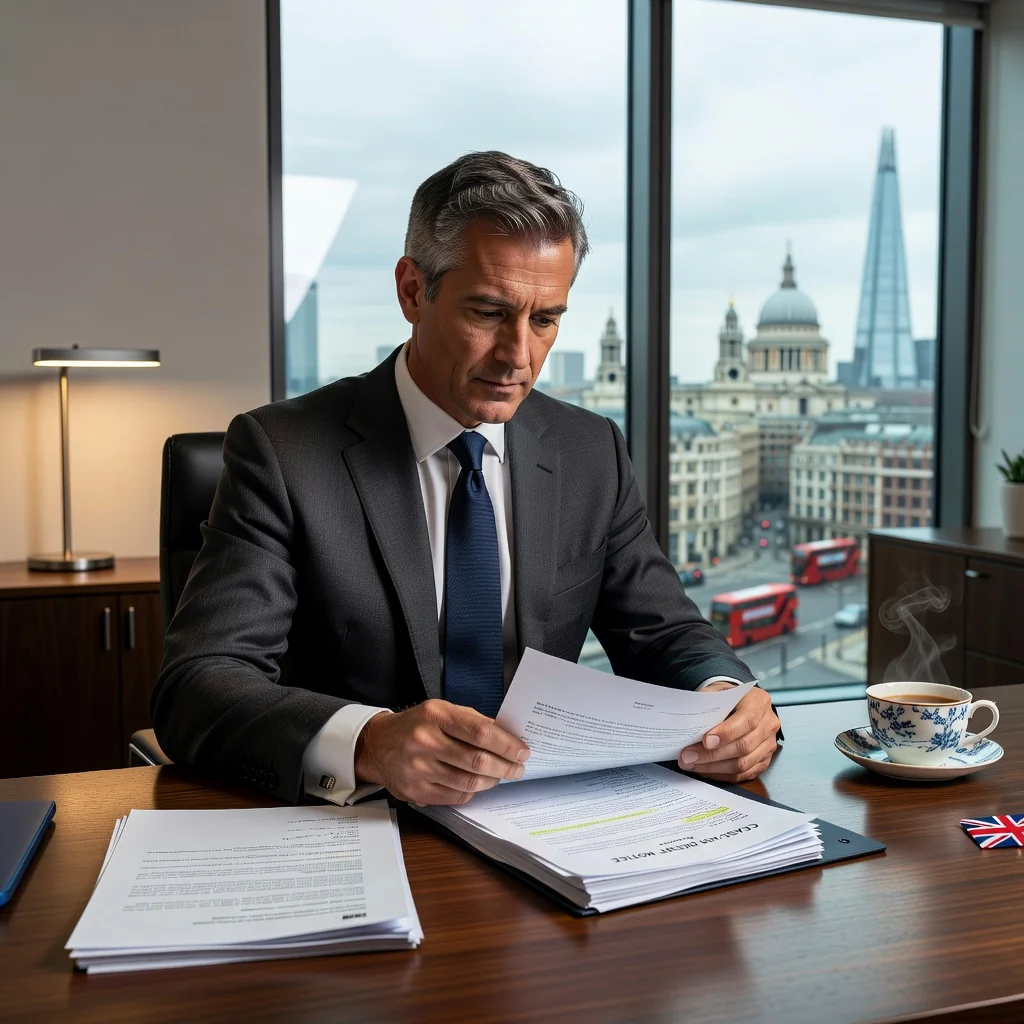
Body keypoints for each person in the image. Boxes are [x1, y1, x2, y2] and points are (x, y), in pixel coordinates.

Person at [152, 151, 780, 808]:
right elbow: (198, 683)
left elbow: (666, 633)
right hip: (360, 829)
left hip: (549, 822)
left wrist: (725, 699)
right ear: (412, 291)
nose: (519, 356)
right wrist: (372, 740)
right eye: (487, 312)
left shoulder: (589, 450)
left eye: (545, 320)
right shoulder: (283, 452)